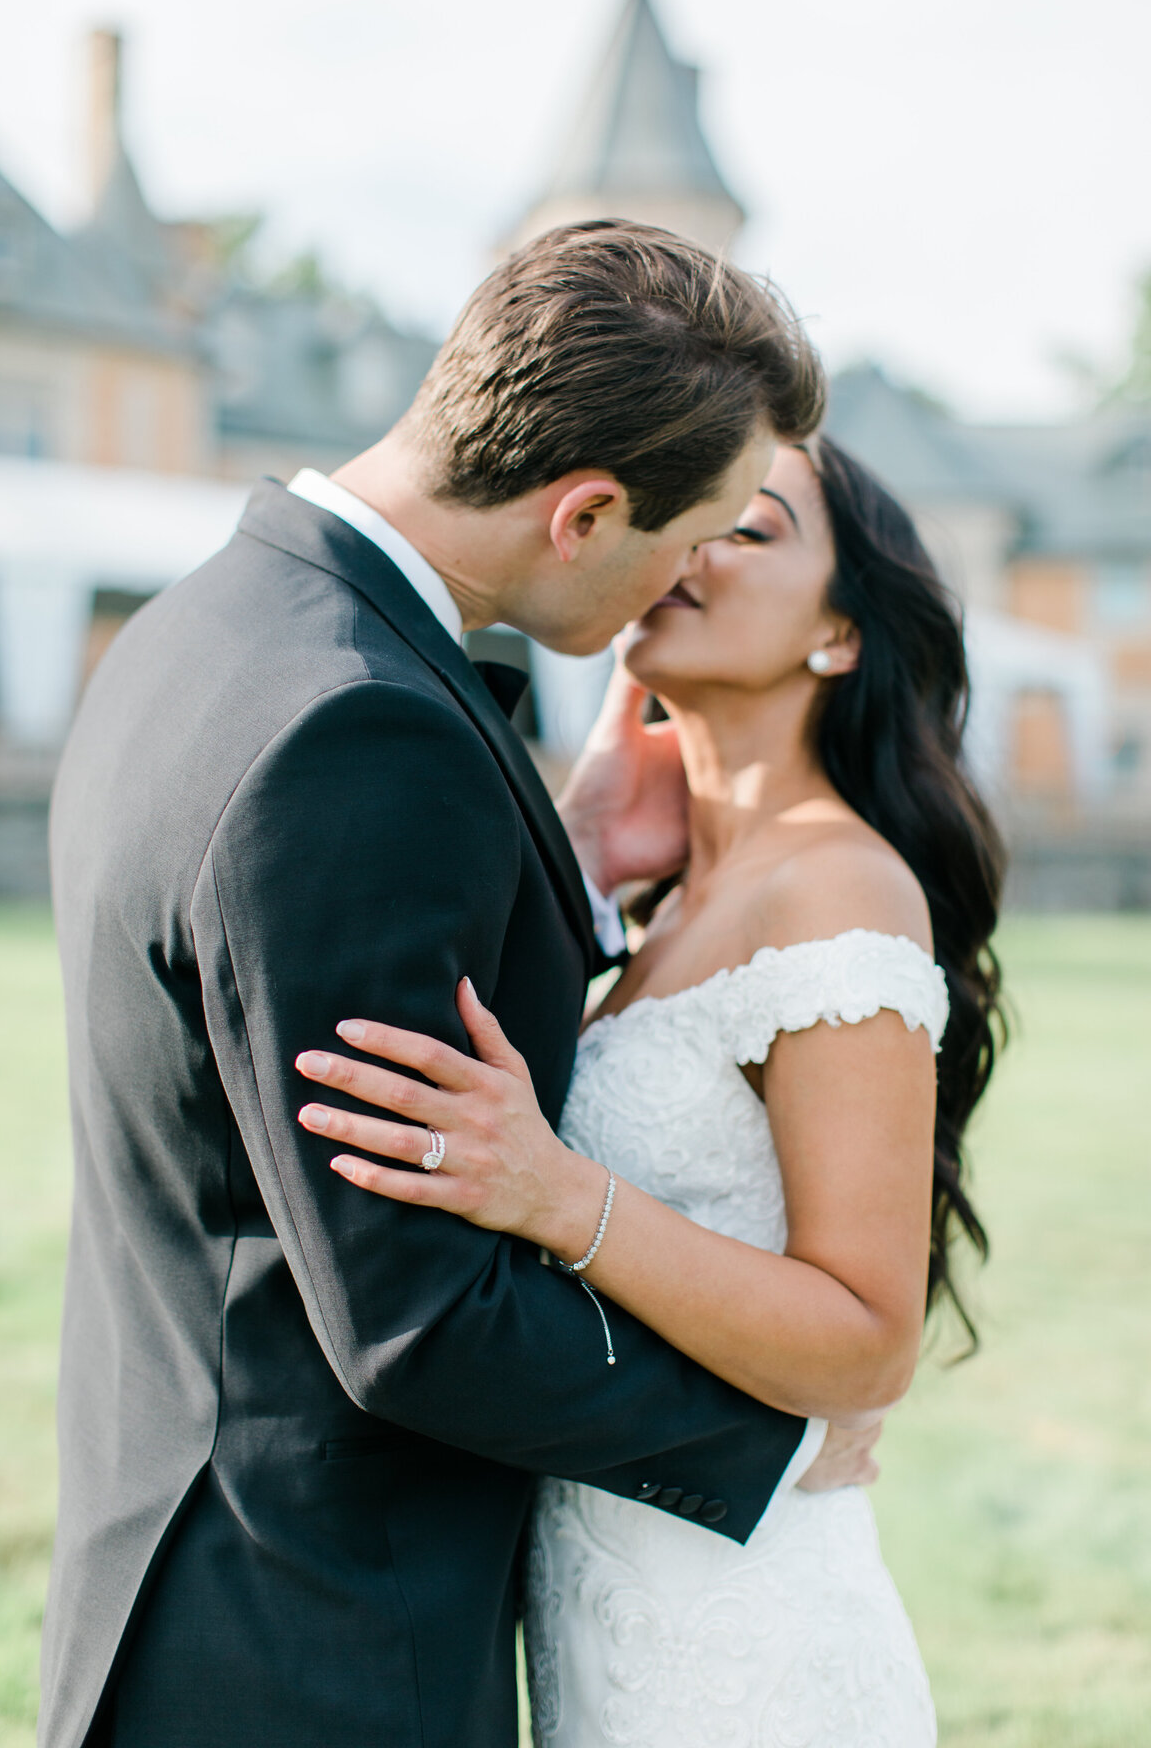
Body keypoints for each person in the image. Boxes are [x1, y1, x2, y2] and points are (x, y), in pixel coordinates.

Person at [42, 220, 876, 1748]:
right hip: (313, 1648)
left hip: (186, 1591)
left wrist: (552, 868)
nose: (684, 581)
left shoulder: (211, 630)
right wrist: (773, 1437)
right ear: (586, 512)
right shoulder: (359, 731)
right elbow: (414, 1313)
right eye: (691, 536)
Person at [295, 435, 1007, 1746]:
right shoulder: (671, 896)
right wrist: (579, 863)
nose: (696, 541)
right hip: (599, 1595)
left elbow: (867, 1339)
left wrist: (560, 1196)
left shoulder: (839, 888)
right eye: (698, 509)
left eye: (753, 526)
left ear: (841, 634)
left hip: (748, 1641)